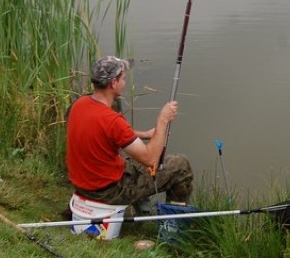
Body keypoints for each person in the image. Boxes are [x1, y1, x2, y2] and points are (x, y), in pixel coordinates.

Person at [66, 56, 194, 211]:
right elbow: (151, 160)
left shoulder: (79, 105)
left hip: (84, 185)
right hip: (108, 192)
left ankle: (143, 207)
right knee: (180, 165)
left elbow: (105, 132)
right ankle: (174, 222)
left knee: (131, 159)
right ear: (113, 83)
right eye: (123, 78)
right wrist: (162, 121)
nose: (125, 82)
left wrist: (147, 134)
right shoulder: (112, 120)